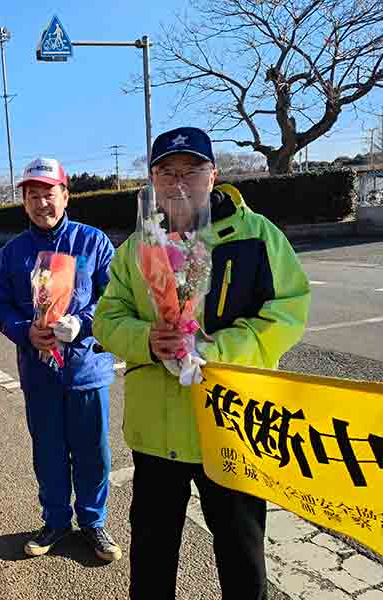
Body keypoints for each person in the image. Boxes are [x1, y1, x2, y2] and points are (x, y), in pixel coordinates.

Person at [93, 127, 311, 600]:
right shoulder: (137, 248)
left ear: (212, 175)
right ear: (152, 179)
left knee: (242, 555)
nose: (178, 182)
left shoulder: (256, 235)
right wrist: (148, 340)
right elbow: (107, 318)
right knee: (151, 557)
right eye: (166, 172)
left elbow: (289, 311)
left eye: (190, 170)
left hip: (233, 427)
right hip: (157, 433)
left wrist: (216, 349)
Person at [0, 158, 121, 562]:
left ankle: (94, 522)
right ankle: (56, 520)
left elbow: (113, 296)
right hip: (39, 369)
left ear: (65, 195)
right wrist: (25, 329)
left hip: (86, 367)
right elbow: (0, 303)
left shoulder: (93, 242)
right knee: (48, 451)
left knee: (93, 452)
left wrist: (82, 323)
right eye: (32, 196)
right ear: (24, 202)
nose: (41, 202)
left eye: (48, 193)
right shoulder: (14, 252)